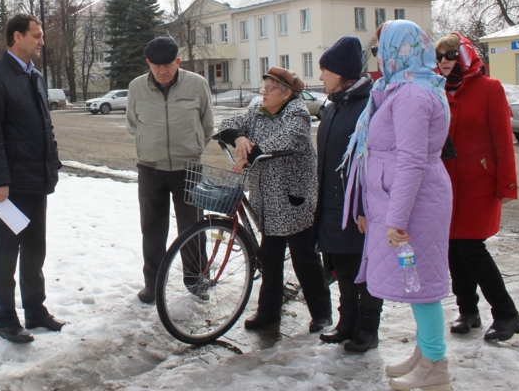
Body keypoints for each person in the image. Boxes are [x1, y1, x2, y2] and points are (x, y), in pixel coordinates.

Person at [342, 20, 452, 390]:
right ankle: (426, 352)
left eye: (378, 49)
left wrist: (396, 219)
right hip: (408, 203)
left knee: (422, 286)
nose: (377, 57)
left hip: (413, 207)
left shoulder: (411, 96)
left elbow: (410, 161)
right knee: (416, 281)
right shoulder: (403, 89)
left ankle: (436, 365)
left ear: (398, 49)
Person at [217, 67, 333, 333]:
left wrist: (249, 153)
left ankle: (322, 313)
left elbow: (283, 141)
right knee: (269, 256)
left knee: (304, 257)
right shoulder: (258, 110)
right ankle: (268, 312)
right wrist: (240, 137)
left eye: (270, 89)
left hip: (292, 199)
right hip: (265, 198)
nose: (263, 93)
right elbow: (226, 125)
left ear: (287, 93)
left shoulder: (297, 114)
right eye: (264, 87)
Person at [0, 14, 64, 344]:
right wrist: (0, 180)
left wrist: (51, 165)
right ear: (17, 37)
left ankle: (35, 311)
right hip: (8, 186)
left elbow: (45, 126)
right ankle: (7, 319)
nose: (42, 41)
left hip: (36, 179)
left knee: (35, 251)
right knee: (7, 252)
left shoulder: (36, 76)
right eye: (36, 35)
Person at [435, 32, 519, 342]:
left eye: (450, 55)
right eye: (440, 57)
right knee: (453, 247)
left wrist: (507, 185)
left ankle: (507, 314)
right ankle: (468, 311)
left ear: (465, 57)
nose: (444, 62)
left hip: (479, 184)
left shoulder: (490, 88)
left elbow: (503, 139)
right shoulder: (437, 90)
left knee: (472, 247)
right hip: (447, 183)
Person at [125, 36, 214, 304]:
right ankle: (153, 284)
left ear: (178, 61)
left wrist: (193, 146)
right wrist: (148, 146)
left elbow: (207, 124)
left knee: (193, 228)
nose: (163, 71)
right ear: (148, 63)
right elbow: (132, 124)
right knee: (152, 230)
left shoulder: (197, 84)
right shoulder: (136, 87)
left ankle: (196, 279)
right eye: (156, 66)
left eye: (168, 65)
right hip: (151, 170)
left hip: (188, 169)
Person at [315, 36, 384, 352]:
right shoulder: (333, 106)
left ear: (341, 73)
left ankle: (368, 329)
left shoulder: (366, 108)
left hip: (357, 208)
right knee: (342, 266)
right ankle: (347, 322)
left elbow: (373, 162)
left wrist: (364, 208)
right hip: (332, 205)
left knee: (365, 270)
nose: (320, 77)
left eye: (324, 70)